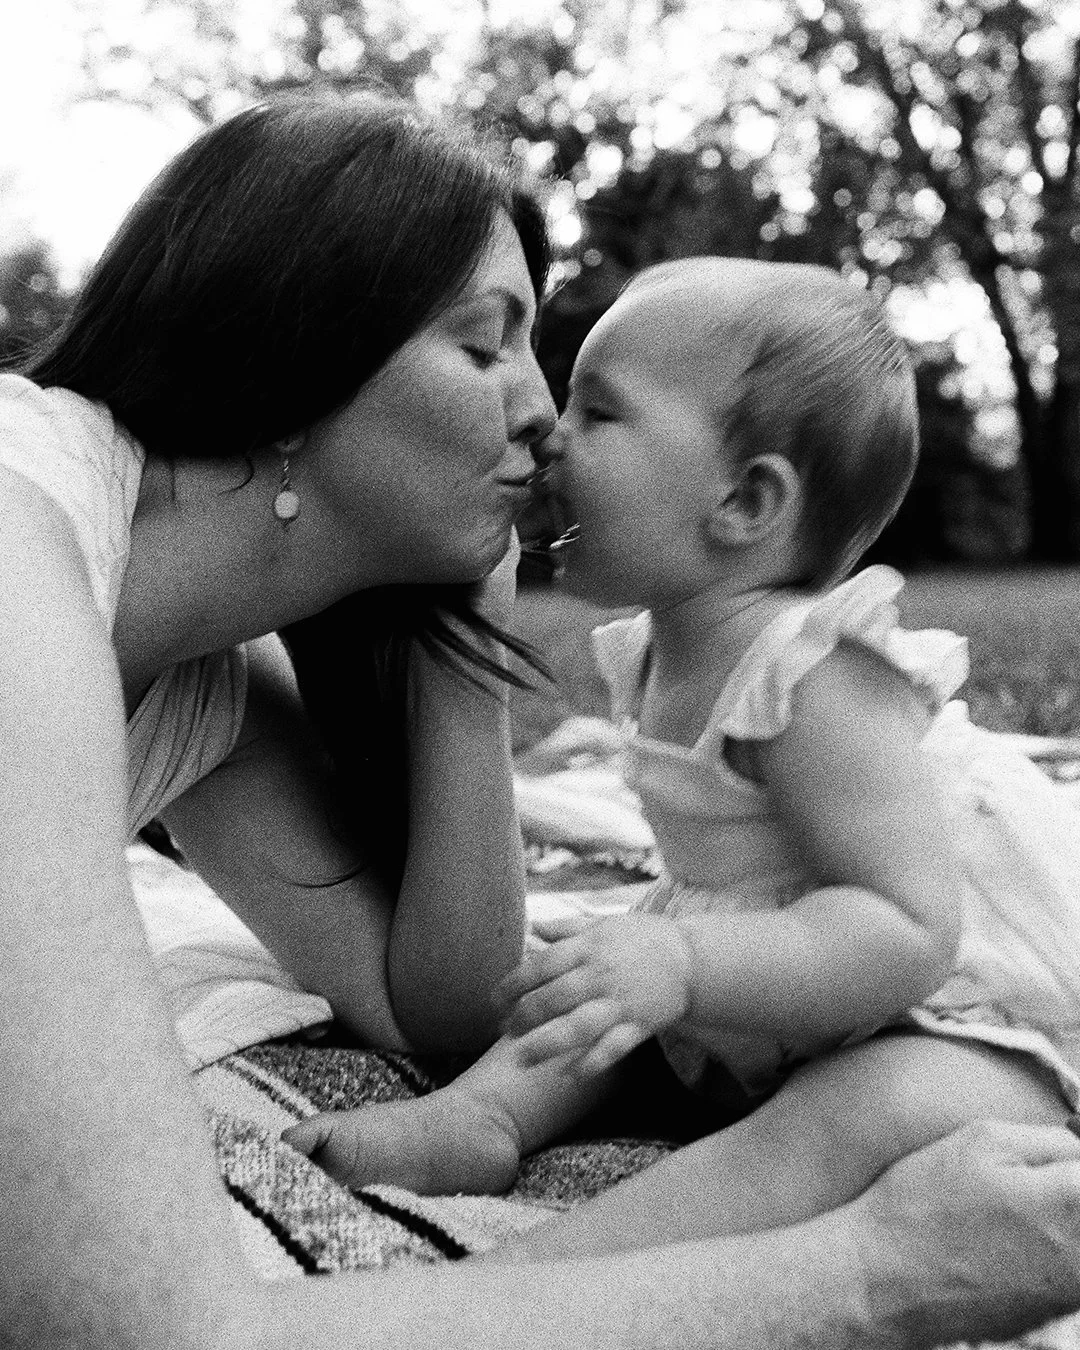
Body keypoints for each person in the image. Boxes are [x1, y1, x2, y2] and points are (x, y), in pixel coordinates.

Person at [3, 91, 1080, 1350]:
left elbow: (432, 1008)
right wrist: (874, 1269)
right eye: (485, 346)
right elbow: (143, 1333)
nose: (541, 416)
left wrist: (463, 668)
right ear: (290, 365)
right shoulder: (18, 553)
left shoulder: (200, 683)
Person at [285, 256, 1080, 1259]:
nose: (552, 433)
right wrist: (666, 961)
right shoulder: (666, 647)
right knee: (594, 1004)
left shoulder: (813, 678)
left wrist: (686, 962)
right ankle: (480, 1119)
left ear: (744, 500)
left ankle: (563, 1269)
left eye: (600, 412)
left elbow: (907, 932)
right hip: (784, 964)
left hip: (967, 1008)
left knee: (856, 1115)